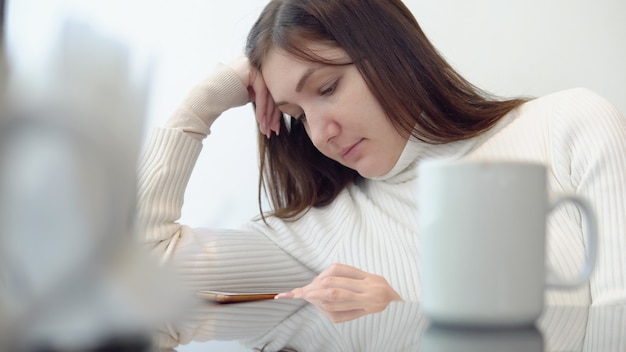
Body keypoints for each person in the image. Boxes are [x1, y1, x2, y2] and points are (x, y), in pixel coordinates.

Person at [137, 0, 626, 348]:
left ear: (390, 50)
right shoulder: (309, 243)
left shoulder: (567, 125)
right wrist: (205, 100)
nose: (321, 133)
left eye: (327, 87)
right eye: (296, 114)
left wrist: (417, 317)